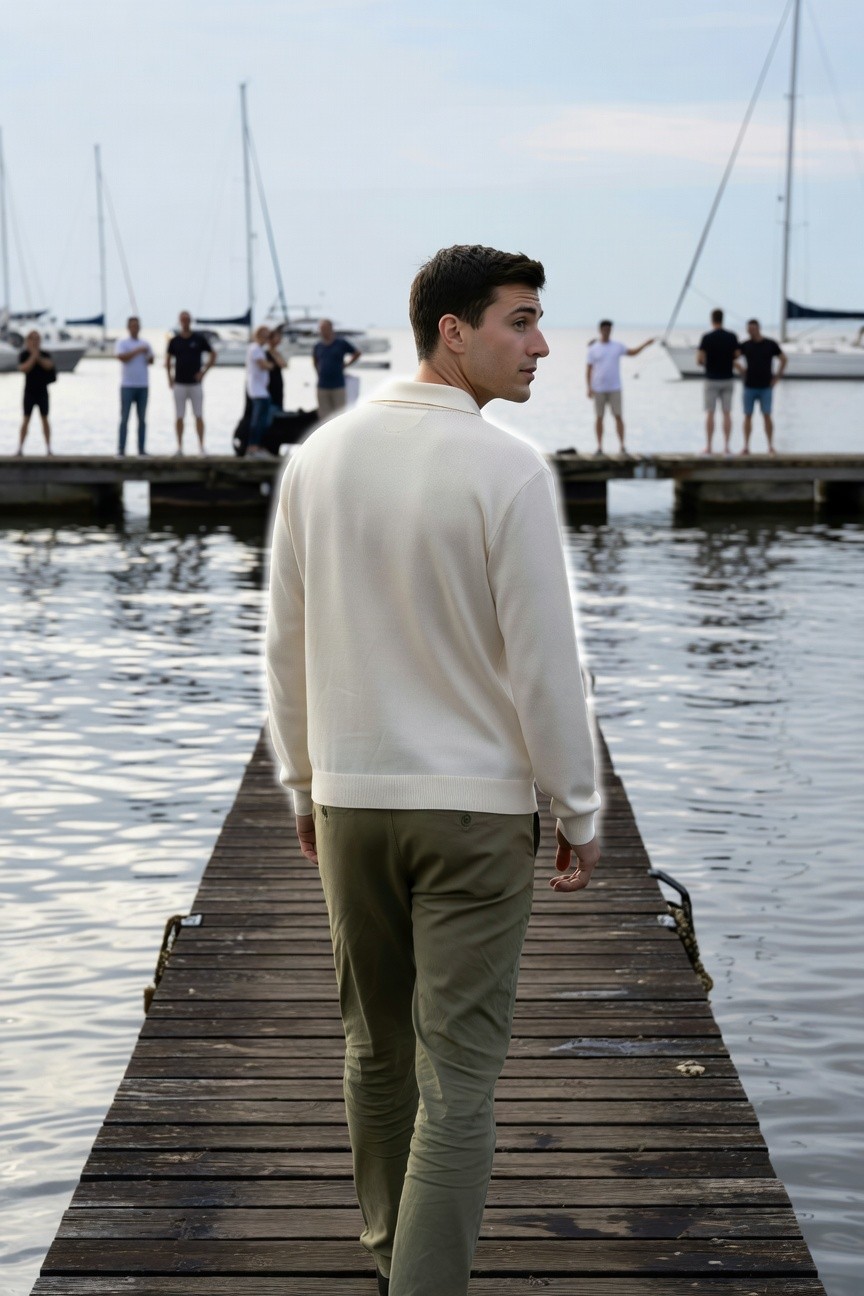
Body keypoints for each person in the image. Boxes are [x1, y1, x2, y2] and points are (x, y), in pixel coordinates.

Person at [266, 244, 601, 1296]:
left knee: (375, 1052)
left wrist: (303, 783)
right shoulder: (505, 469)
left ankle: (388, 1261)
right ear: (452, 331)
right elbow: (548, 664)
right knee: (459, 1077)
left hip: (356, 804)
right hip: (471, 814)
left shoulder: (320, 457)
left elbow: (286, 643)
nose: (542, 344)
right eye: (520, 321)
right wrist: (576, 809)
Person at [585, 320, 654, 453]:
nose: (607, 331)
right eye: (605, 329)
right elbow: (588, 369)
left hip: (615, 388)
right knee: (599, 418)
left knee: (618, 416)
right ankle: (599, 447)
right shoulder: (593, 348)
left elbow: (633, 353)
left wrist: (646, 344)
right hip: (598, 389)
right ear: (600, 330)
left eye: (609, 329)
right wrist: (589, 387)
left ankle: (622, 446)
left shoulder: (617, 346)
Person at [165, 311, 215, 454]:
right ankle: (179, 447)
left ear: (190, 321)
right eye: (183, 320)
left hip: (195, 383)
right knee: (179, 416)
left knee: (198, 415)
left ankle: (201, 446)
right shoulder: (174, 341)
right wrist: (169, 377)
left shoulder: (198, 339)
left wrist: (204, 372)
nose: (185, 322)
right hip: (179, 383)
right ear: (180, 321)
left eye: (187, 320)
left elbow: (213, 354)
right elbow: (168, 360)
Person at [736, 318, 786, 455]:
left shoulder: (770, 344)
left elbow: (783, 359)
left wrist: (777, 377)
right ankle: (746, 446)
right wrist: (740, 369)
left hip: (766, 386)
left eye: (752, 329)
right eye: (748, 329)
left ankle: (770, 446)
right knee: (747, 416)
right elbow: (732, 357)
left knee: (767, 415)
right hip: (749, 386)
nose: (750, 331)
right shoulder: (745, 345)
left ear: (758, 328)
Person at [697, 308, 741, 454]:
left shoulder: (707, 337)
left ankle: (709, 446)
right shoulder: (732, 336)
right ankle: (727, 446)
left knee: (710, 413)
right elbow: (736, 354)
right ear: (723, 319)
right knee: (727, 413)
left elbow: (699, 359)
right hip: (728, 378)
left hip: (711, 379)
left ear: (712, 319)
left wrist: (707, 363)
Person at [115, 316, 154, 455]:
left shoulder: (146, 343)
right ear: (128, 327)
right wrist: (138, 351)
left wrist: (147, 354)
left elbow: (151, 361)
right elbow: (122, 358)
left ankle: (141, 450)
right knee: (124, 418)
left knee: (142, 419)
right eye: (132, 325)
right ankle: (121, 449)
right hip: (127, 385)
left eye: (137, 325)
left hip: (143, 385)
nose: (135, 328)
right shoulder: (123, 343)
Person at [312, 317, 360, 419]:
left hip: (338, 385)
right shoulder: (318, 346)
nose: (322, 331)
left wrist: (346, 364)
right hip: (322, 385)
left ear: (331, 328)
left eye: (324, 328)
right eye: (321, 329)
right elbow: (315, 361)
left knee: (339, 415)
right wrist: (318, 372)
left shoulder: (340, 343)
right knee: (324, 417)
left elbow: (357, 353)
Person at [16, 330, 55, 455]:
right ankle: (20, 448)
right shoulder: (24, 354)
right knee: (26, 419)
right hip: (29, 392)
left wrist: (37, 355)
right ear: (28, 341)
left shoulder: (45, 354)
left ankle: (49, 449)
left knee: (45, 419)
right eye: (32, 339)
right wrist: (33, 355)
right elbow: (23, 368)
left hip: (42, 391)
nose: (35, 341)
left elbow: (49, 366)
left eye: (37, 339)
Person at [245, 324, 276, 457]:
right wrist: (271, 365)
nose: (266, 338)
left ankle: (257, 447)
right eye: (264, 336)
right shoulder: (255, 348)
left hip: (261, 390)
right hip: (258, 392)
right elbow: (263, 365)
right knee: (257, 421)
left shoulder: (259, 349)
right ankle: (252, 448)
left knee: (262, 421)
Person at [266, 325, 288, 411]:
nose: (279, 339)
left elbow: (284, 365)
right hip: (269, 385)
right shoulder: (266, 353)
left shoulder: (276, 352)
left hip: (277, 384)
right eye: (277, 337)